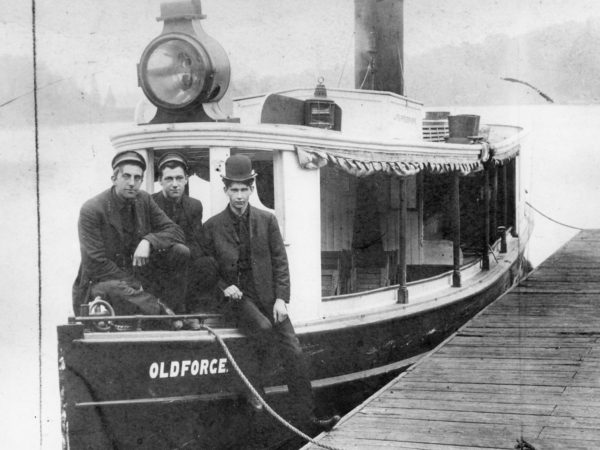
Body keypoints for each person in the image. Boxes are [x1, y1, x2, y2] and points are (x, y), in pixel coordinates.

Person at [203, 154, 339, 431]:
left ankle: (307, 418)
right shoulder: (212, 226)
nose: (239, 196)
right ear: (225, 190)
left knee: (295, 352)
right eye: (234, 189)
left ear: (252, 188)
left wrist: (281, 299)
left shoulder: (267, 220)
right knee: (263, 331)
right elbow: (205, 267)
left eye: (244, 189)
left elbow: (280, 262)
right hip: (237, 300)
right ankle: (260, 406)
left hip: (269, 298)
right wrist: (223, 286)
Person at [72, 150, 189, 330]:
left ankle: (172, 309)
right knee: (115, 289)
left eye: (137, 178)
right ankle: (166, 316)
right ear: (114, 178)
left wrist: (149, 241)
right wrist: (135, 284)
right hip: (102, 282)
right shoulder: (92, 210)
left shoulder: (144, 200)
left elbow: (175, 231)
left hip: (137, 280)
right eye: (126, 176)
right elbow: (96, 263)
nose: (132, 183)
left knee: (180, 251)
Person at [152, 152, 218, 330]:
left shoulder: (194, 205)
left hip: (184, 257)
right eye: (169, 179)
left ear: (186, 179)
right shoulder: (150, 203)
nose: (175, 184)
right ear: (160, 180)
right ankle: (177, 313)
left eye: (179, 178)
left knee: (208, 263)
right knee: (180, 253)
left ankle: (194, 311)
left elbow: (196, 239)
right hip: (158, 262)